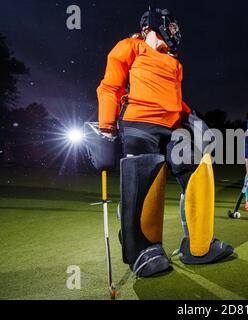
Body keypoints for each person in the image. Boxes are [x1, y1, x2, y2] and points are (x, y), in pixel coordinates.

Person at [96, 6, 233, 277]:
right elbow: (110, 87)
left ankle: (198, 246)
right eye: (171, 27)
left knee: (196, 173)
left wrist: (192, 116)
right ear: (155, 25)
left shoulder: (174, 61)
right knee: (146, 180)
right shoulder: (129, 47)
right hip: (140, 124)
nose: (175, 33)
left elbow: (174, 98)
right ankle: (144, 250)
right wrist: (106, 127)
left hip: (174, 127)